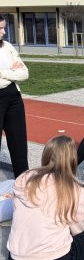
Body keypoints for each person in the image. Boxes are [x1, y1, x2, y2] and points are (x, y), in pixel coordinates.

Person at [0, 14, 29, 177]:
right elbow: (16, 73)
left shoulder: (8, 47)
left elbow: (24, 73)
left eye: (4, 28)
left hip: (13, 98)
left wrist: (3, 73)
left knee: (19, 143)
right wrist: (12, 71)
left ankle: (23, 181)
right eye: (0, 28)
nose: (4, 32)